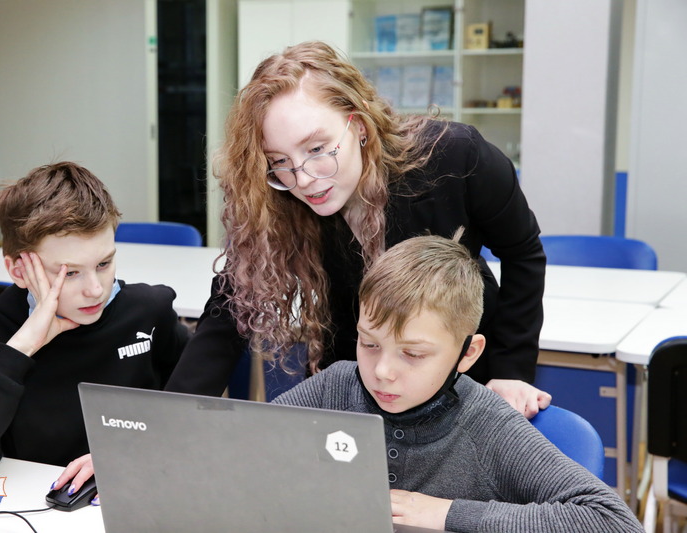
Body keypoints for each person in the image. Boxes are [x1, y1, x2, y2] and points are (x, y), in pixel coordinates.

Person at [166, 41, 550, 417]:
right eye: (279, 161)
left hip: (460, 371)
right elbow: (232, 304)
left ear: (360, 125)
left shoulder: (454, 156)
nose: (302, 179)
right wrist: (170, 416)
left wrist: (511, 371)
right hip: (358, 381)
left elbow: (523, 252)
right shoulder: (278, 199)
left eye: (317, 149)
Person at [273, 232, 643, 532]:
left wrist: (448, 514)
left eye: (412, 354)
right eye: (369, 344)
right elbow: (246, 447)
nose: (382, 370)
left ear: (468, 353)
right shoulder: (336, 387)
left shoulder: (488, 427)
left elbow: (613, 521)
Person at [0, 162, 189, 500]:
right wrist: (20, 350)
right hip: (32, 508)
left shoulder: (147, 312)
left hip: (139, 491)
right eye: (70, 273)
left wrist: (131, 451)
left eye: (104, 264)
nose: (95, 289)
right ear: (18, 271)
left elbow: (195, 407)